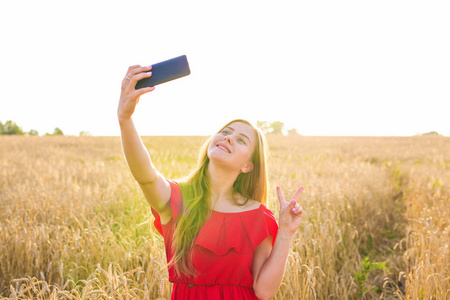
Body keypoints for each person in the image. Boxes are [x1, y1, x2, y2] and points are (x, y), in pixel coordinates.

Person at [117, 65, 304, 300]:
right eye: (225, 132)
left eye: (241, 140)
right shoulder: (178, 198)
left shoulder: (259, 218)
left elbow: (264, 292)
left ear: (248, 166)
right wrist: (125, 119)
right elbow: (145, 175)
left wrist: (286, 232)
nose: (228, 138)